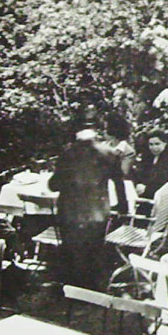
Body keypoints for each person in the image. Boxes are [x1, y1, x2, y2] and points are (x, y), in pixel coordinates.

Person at [49, 123, 132, 291]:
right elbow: (119, 183)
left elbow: (54, 185)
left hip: (71, 212)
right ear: (95, 133)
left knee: (73, 252)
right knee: (94, 251)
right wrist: (124, 210)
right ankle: (92, 291)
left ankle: (72, 292)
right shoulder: (108, 153)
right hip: (98, 212)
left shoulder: (68, 154)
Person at [132, 132, 168, 198]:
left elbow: (164, 181)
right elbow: (142, 175)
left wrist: (146, 189)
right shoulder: (149, 158)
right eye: (151, 144)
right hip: (151, 193)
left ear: (165, 143)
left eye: (157, 144)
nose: (154, 147)